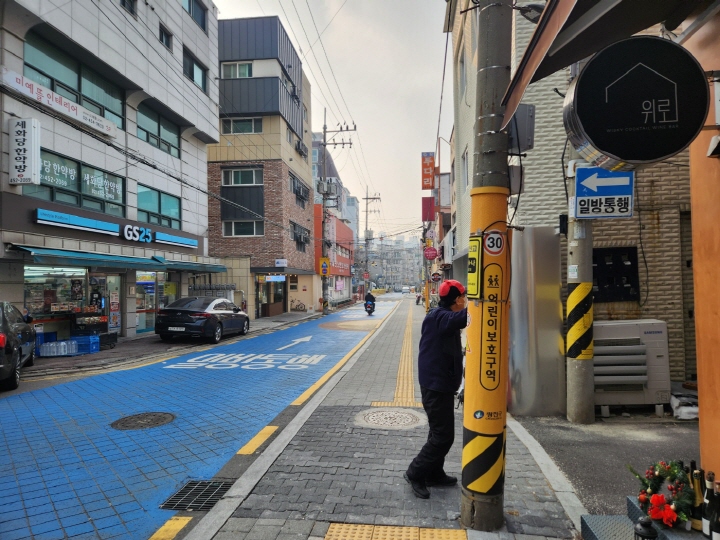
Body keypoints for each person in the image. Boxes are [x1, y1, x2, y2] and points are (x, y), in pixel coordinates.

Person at [404, 279, 467, 499]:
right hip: (435, 386)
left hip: (441, 384)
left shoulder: (440, 316)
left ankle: (434, 472)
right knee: (443, 436)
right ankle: (415, 472)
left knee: (437, 432)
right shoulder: (439, 316)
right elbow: (461, 318)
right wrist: (483, 303)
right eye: (465, 298)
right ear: (457, 300)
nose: (466, 301)